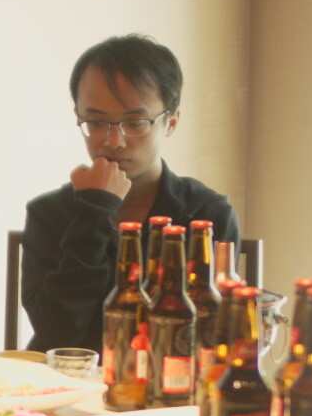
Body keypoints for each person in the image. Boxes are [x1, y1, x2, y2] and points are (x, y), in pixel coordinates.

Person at [21, 34, 240, 354]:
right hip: (68, 379)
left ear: (171, 121)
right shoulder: (49, 213)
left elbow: (206, 338)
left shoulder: (204, 216)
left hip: (167, 382)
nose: (114, 141)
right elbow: (57, 332)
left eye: (136, 123)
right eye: (96, 122)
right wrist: (94, 212)